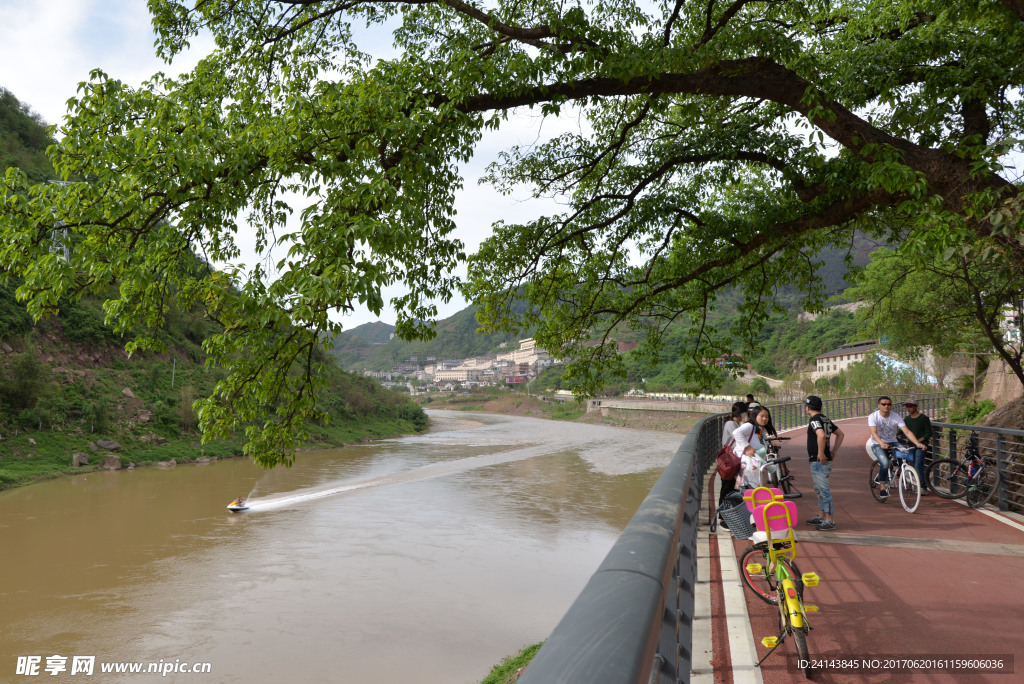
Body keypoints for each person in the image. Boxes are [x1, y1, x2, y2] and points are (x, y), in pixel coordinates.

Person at [867, 396, 927, 501]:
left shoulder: (896, 416)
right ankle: (882, 487)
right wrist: (881, 443)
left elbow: (907, 431)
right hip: (878, 443)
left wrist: (917, 443)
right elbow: (873, 432)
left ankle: (901, 474)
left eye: (889, 404)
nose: (886, 406)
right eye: (884, 404)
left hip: (893, 442)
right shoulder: (873, 416)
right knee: (884, 463)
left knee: (905, 454)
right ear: (879, 405)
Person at [804, 395, 844, 530]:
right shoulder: (825, 419)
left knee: (824, 490)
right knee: (819, 489)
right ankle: (821, 516)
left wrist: (821, 453)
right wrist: (834, 451)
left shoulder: (814, 420)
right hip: (823, 459)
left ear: (807, 408)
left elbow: (820, 435)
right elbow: (840, 434)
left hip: (819, 460)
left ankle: (829, 520)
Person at [718, 402, 749, 517]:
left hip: (734, 462)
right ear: (742, 413)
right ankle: (723, 514)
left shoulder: (734, 423)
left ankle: (729, 514)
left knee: (733, 487)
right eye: (746, 412)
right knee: (727, 488)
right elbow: (740, 438)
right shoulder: (731, 424)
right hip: (730, 462)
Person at [734, 405, 773, 489]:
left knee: (752, 489)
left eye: (767, 417)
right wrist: (748, 447)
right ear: (755, 415)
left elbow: (760, 441)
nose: (765, 419)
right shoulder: (749, 425)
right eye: (762, 416)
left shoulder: (758, 428)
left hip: (753, 464)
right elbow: (736, 433)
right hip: (746, 463)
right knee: (745, 489)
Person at [903, 401, 933, 495]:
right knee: (912, 466)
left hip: (921, 446)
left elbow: (928, 433)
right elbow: (902, 430)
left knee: (918, 465)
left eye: (910, 406)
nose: (908, 408)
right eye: (907, 407)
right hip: (911, 446)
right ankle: (918, 485)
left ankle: (923, 487)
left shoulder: (924, 418)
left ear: (915, 407)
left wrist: (918, 442)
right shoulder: (907, 419)